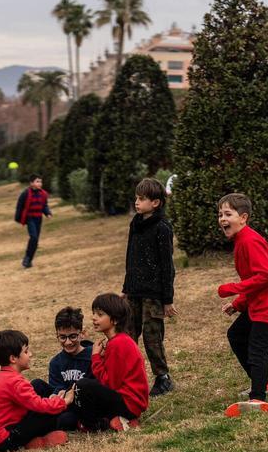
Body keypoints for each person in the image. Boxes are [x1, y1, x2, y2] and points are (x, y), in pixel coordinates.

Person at [216, 193, 268, 417]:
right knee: (236, 335)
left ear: (244, 218)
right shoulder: (241, 241)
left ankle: (258, 398)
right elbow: (255, 279)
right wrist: (239, 304)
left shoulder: (249, 241)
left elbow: (265, 275)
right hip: (260, 298)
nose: (222, 219)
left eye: (228, 214)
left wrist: (233, 288)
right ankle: (263, 382)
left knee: (257, 348)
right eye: (220, 214)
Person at [122, 177, 177, 397]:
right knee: (128, 334)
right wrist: (126, 287)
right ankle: (131, 377)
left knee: (152, 336)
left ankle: (162, 378)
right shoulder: (135, 224)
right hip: (134, 290)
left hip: (153, 294)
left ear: (155, 203)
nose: (137, 202)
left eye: (142, 199)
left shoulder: (162, 228)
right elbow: (131, 258)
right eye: (136, 198)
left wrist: (167, 299)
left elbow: (167, 266)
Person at [0, 330, 72, 452]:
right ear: (13, 358)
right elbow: (39, 405)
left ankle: (31, 439)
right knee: (46, 413)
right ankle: (34, 441)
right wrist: (63, 402)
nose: (30, 354)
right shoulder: (16, 382)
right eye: (26, 351)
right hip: (2, 441)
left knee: (37, 388)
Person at [72, 293, 149, 432]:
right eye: (94, 313)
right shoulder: (119, 340)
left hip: (129, 403)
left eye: (100, 314)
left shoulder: (118, 343)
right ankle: (116, 419)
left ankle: (94, 425)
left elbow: (110, 384)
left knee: (83, 385)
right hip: (130, 401)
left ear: (114, 320)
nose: (94, 318)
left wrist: (95, 357)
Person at [31, 306, 93, 430]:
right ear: (57, 336)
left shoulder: (92, 356)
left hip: (79, 405)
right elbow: (56, 386)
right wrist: (56, 395)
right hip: (61, 402)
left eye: (73, 336)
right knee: (36, 384)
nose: (68, 342)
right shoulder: (56, 362)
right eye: (63, 337)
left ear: (82, 334)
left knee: (65, 421)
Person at [14, 175, 51, 268]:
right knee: (33, 237)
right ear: (31, 183)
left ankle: (29, 260)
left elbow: (44, 205)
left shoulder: (43, 194)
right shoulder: (26, 193)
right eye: (37, 181)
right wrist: (18, 218)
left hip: (38, 218)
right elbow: (20, 206)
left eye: (40, 182)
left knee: (35, 240)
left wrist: (47, 213)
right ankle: (27, 258)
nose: (40, 183)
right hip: (30, 218)